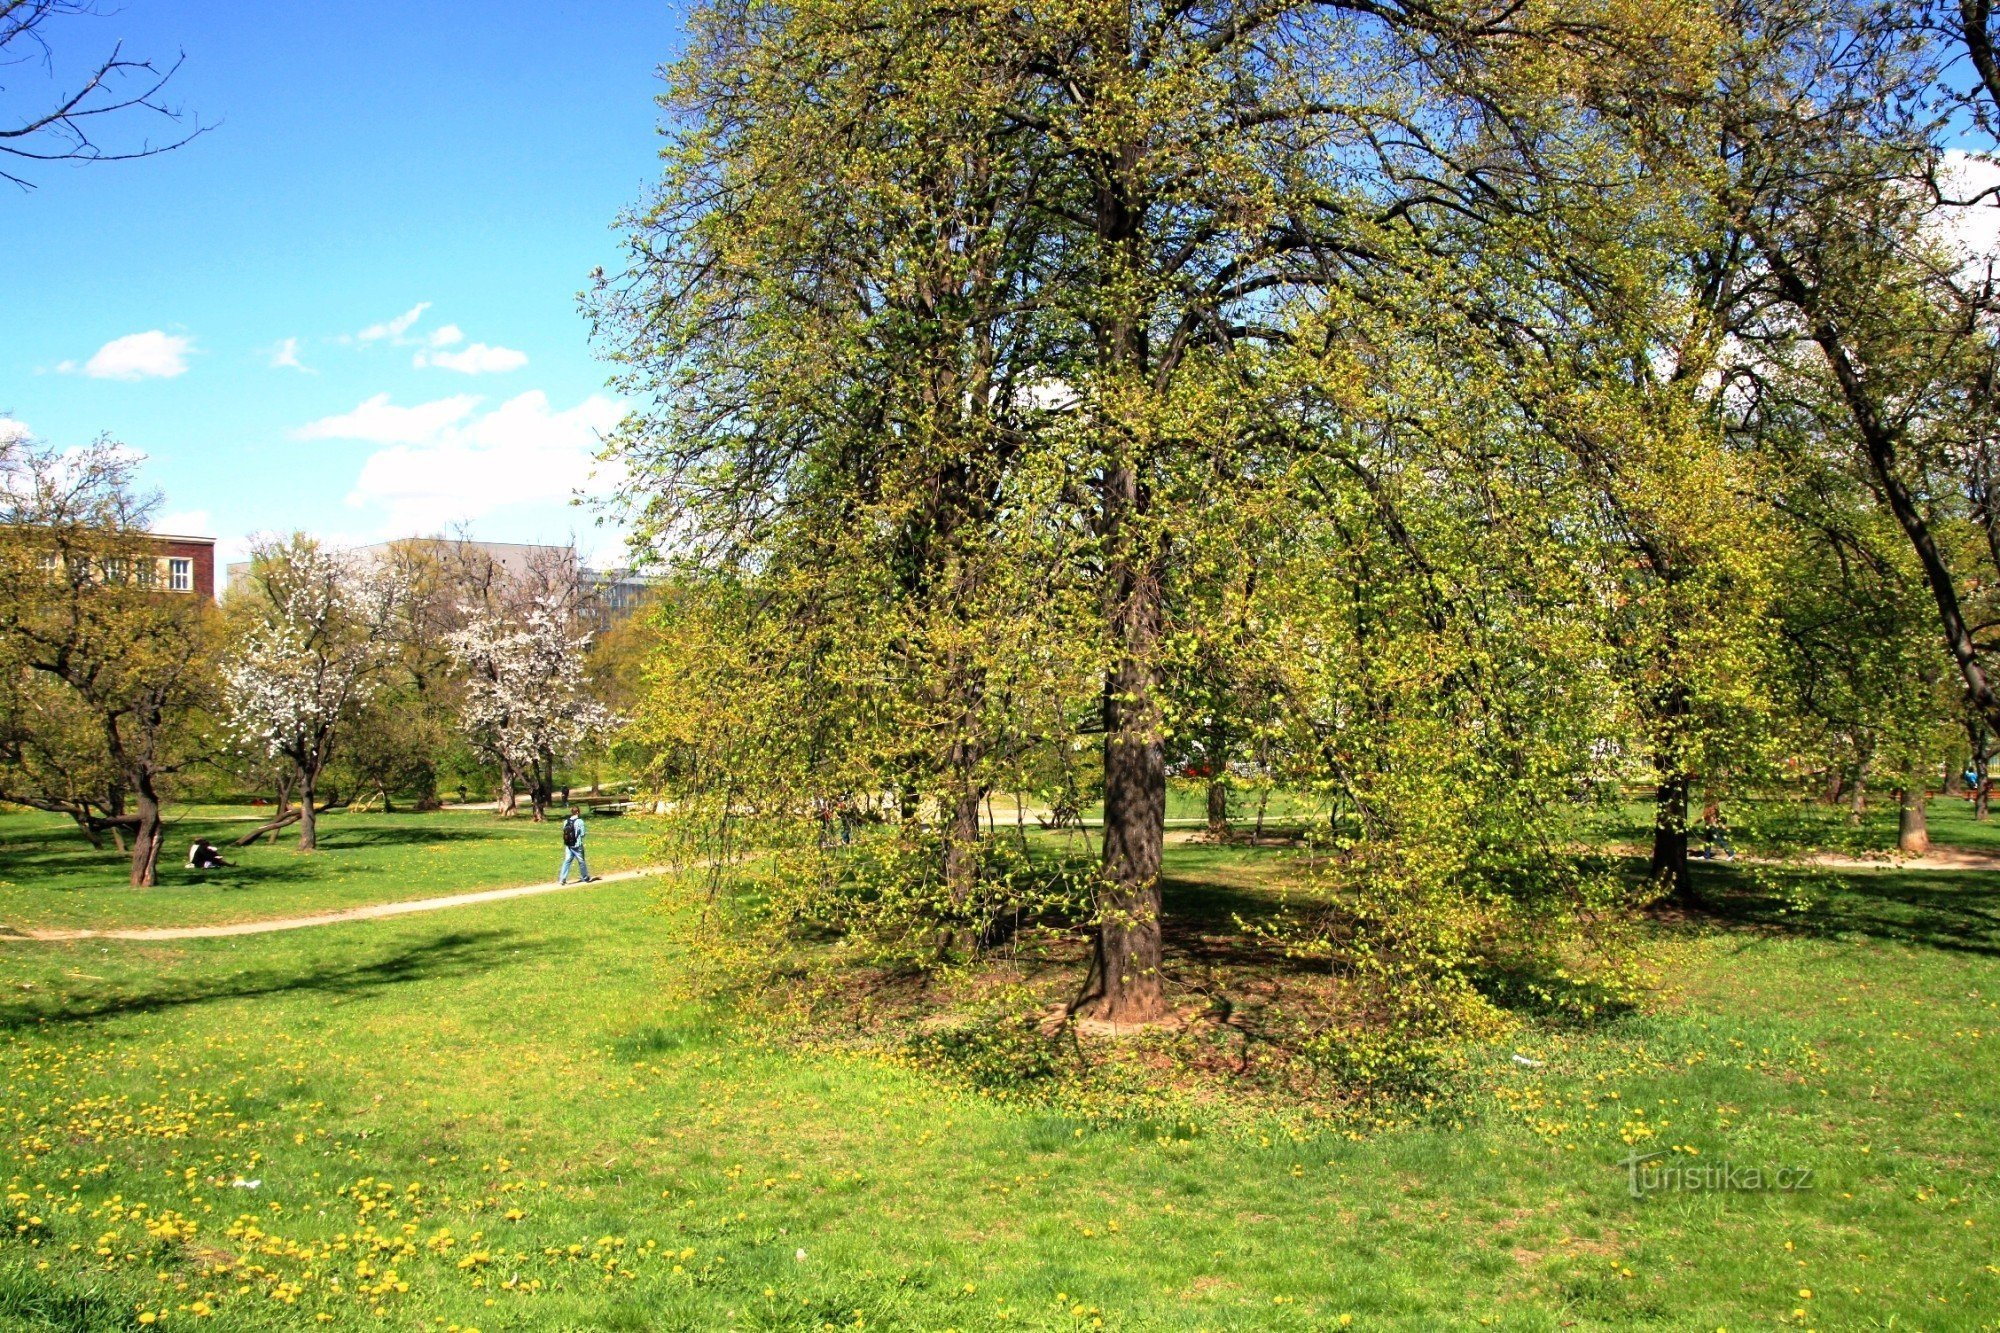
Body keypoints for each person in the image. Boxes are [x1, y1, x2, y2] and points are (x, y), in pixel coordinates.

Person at [558, 806, 593, 885]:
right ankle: (585, 877)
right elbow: (583, 834)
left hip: (568, 845)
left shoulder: (566, 821)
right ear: (577, 812)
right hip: (577, 845)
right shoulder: (580, 821)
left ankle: (562, 879)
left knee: (567, 861)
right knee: (581, 861)